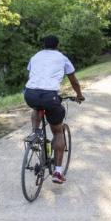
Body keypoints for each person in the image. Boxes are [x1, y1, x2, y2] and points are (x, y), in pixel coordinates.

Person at [24, 35, 84, 184]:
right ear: (57, 45)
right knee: (57, 131)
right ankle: (57, 172)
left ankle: (35, 132)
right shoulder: (62, 58)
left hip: (30, 93)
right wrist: (79, 95)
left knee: (37, 106)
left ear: (43, 45)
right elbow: (74, 81)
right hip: (49, 95)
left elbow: (33, 75)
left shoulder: (35, 57)